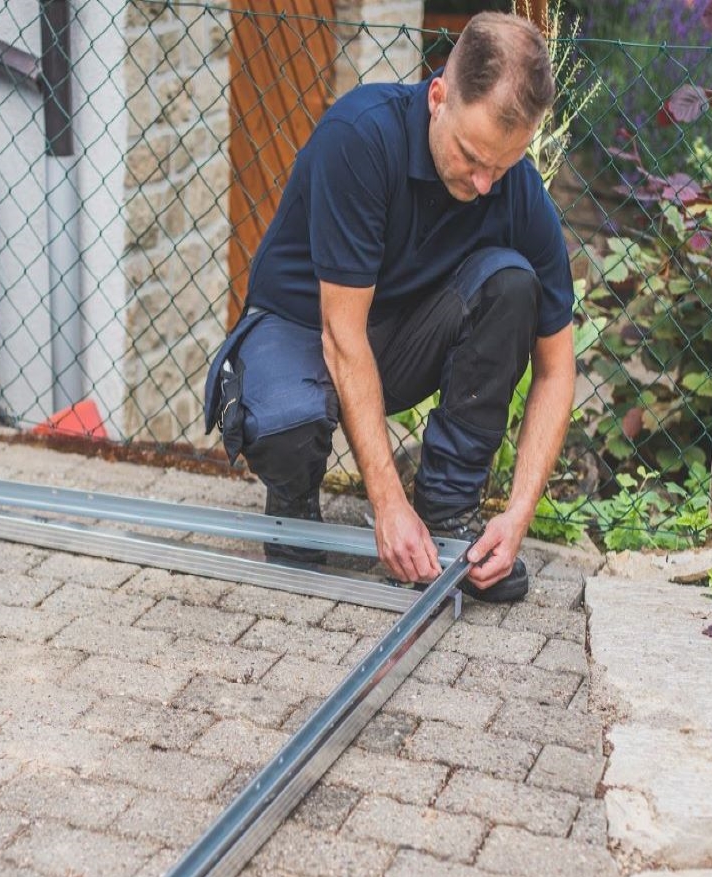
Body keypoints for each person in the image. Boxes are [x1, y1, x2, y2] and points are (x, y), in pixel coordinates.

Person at [204, 12, 575, 603]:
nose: (485, 183)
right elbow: (341, 336)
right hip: (303, 331)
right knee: (288, 423)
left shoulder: (517, 189)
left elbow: (557, 370)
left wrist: (517, 516)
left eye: (502, 165)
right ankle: (294, 508)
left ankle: (447, 516)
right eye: (471, 156)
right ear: (438, 97)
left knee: (512, 284)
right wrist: (387, 503)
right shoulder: (360, 138)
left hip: (395, 344)